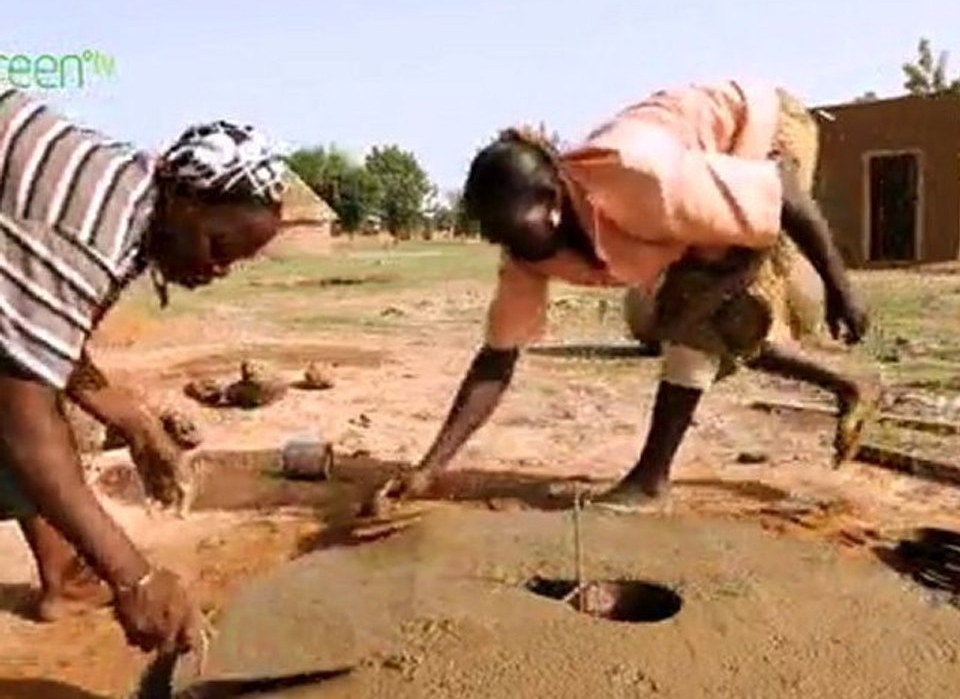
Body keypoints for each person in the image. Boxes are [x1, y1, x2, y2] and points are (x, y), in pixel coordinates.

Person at [378, 80, 870, 509]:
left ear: (551, 203)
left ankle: (650, 482)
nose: (504, 244)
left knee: (700, 307)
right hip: (700, 178)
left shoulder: (640, 179)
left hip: (761, 130)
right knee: (711, 319)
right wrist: (429, 469)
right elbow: (497, 359)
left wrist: (841, 288)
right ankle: (850, 387)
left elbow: (781, 190)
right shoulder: (525, 248)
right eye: (494, 234)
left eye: (510, 228)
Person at [0, 86, 289, 653]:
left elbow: (34, 335)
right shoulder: (85, 231)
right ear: (187, 199)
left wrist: (136, 424)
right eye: (217, 246)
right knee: (31, 421)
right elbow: (23, 418)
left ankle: (63, 577)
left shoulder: (135, 199)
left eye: (234, 262)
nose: (217, 269)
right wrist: (134, 577)